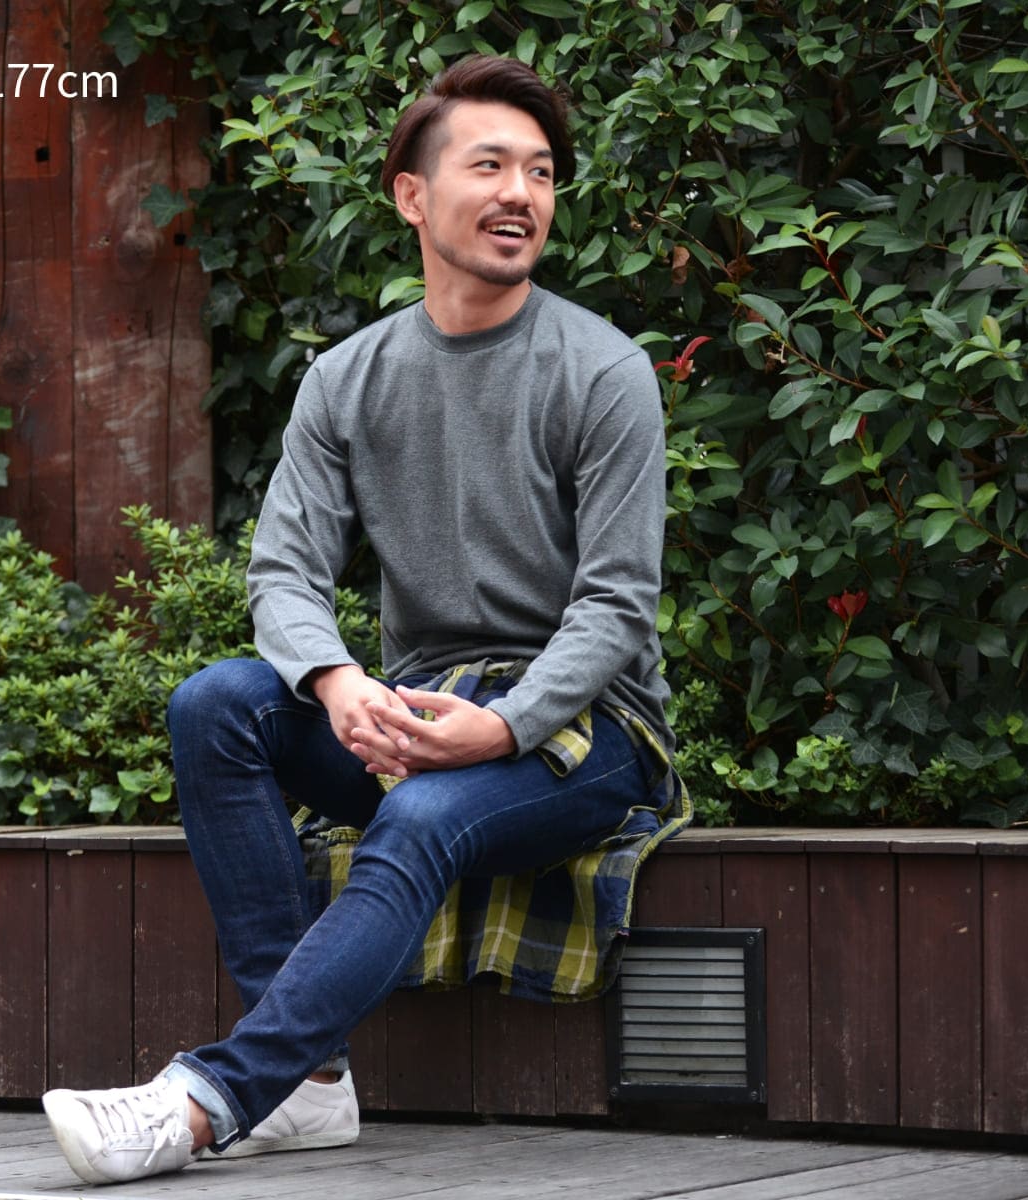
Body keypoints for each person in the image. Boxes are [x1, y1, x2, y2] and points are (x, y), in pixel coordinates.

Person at [42, 52, 676, 1185]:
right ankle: (313, 1084)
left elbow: (617, 604)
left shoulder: (603, 371)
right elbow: (283, 571)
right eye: (490, 165)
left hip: (590, 732)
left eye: (540, 172)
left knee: (422, 812)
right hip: (418, 706)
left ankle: (209, 1101)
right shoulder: (347, 379)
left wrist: (504, 725)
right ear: (411, 195)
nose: (521, 194)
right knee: (216, 706)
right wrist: (339, 685)